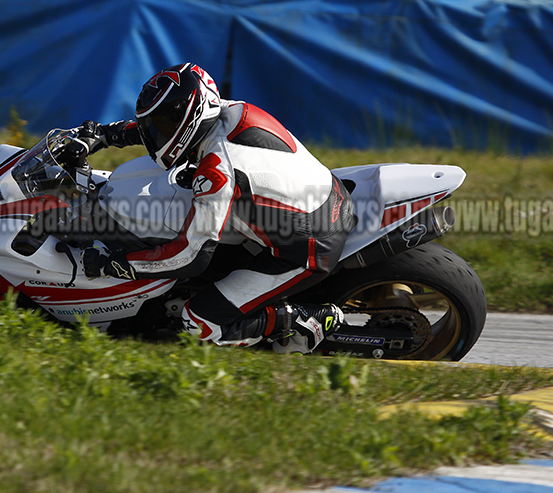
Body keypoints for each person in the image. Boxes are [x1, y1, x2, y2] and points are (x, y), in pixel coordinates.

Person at [78, 62, 356, 354]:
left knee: (199, 321)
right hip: (320, 196)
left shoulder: (216, 170)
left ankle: (300, 320)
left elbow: (189, 257)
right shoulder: (226, 109)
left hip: (310, 246)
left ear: (190, 117)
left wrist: (118, 265)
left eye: (162, 124)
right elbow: (171, 128)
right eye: (154, 125)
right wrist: (110, 134)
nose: (156, 134)